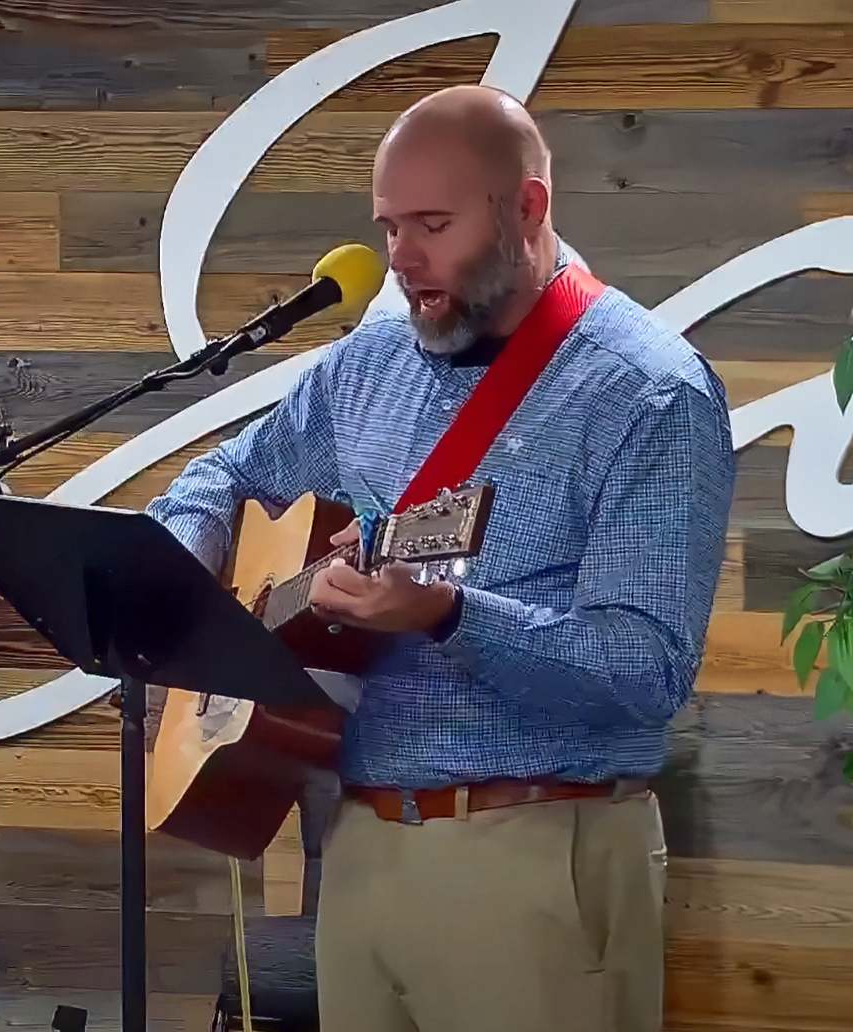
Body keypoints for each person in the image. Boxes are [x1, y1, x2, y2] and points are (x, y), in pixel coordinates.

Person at [149, 85, 732, 1032]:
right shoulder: (370, 366)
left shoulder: (648, 393)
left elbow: (645, 671)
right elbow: (226, 476)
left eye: (433, 224)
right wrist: (176, 583)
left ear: (529, 209)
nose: (403, 259)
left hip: (542, 851)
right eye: (387, 228)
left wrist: (451, 614)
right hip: (363, 847)